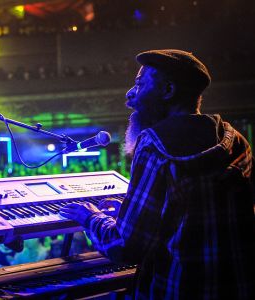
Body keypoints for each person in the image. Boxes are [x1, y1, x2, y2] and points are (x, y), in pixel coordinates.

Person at [60, 49, 254, 299]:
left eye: (140, 84)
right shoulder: (237, 140)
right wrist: (127, 211)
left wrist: (91, 217)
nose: (130, 95)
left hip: (177, 289)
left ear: (167, 91)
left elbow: (125, 247)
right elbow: (195, 212)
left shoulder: (155, 146)